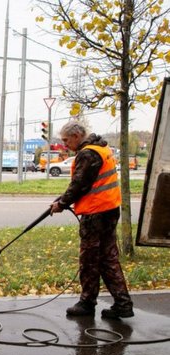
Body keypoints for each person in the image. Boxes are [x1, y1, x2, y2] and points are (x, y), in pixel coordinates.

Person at [50, 121, 134, 319]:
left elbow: (80, 184)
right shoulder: (101, 148)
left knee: (89, 259)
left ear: (77, 135)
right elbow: (85, 183)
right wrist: (62, 200)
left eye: (66, 140)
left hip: (95, 213)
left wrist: (61, 204)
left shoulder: (87, 154)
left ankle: (87, 303)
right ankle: (123, 304)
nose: (64, 144)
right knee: (108, 258)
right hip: (109, 209)